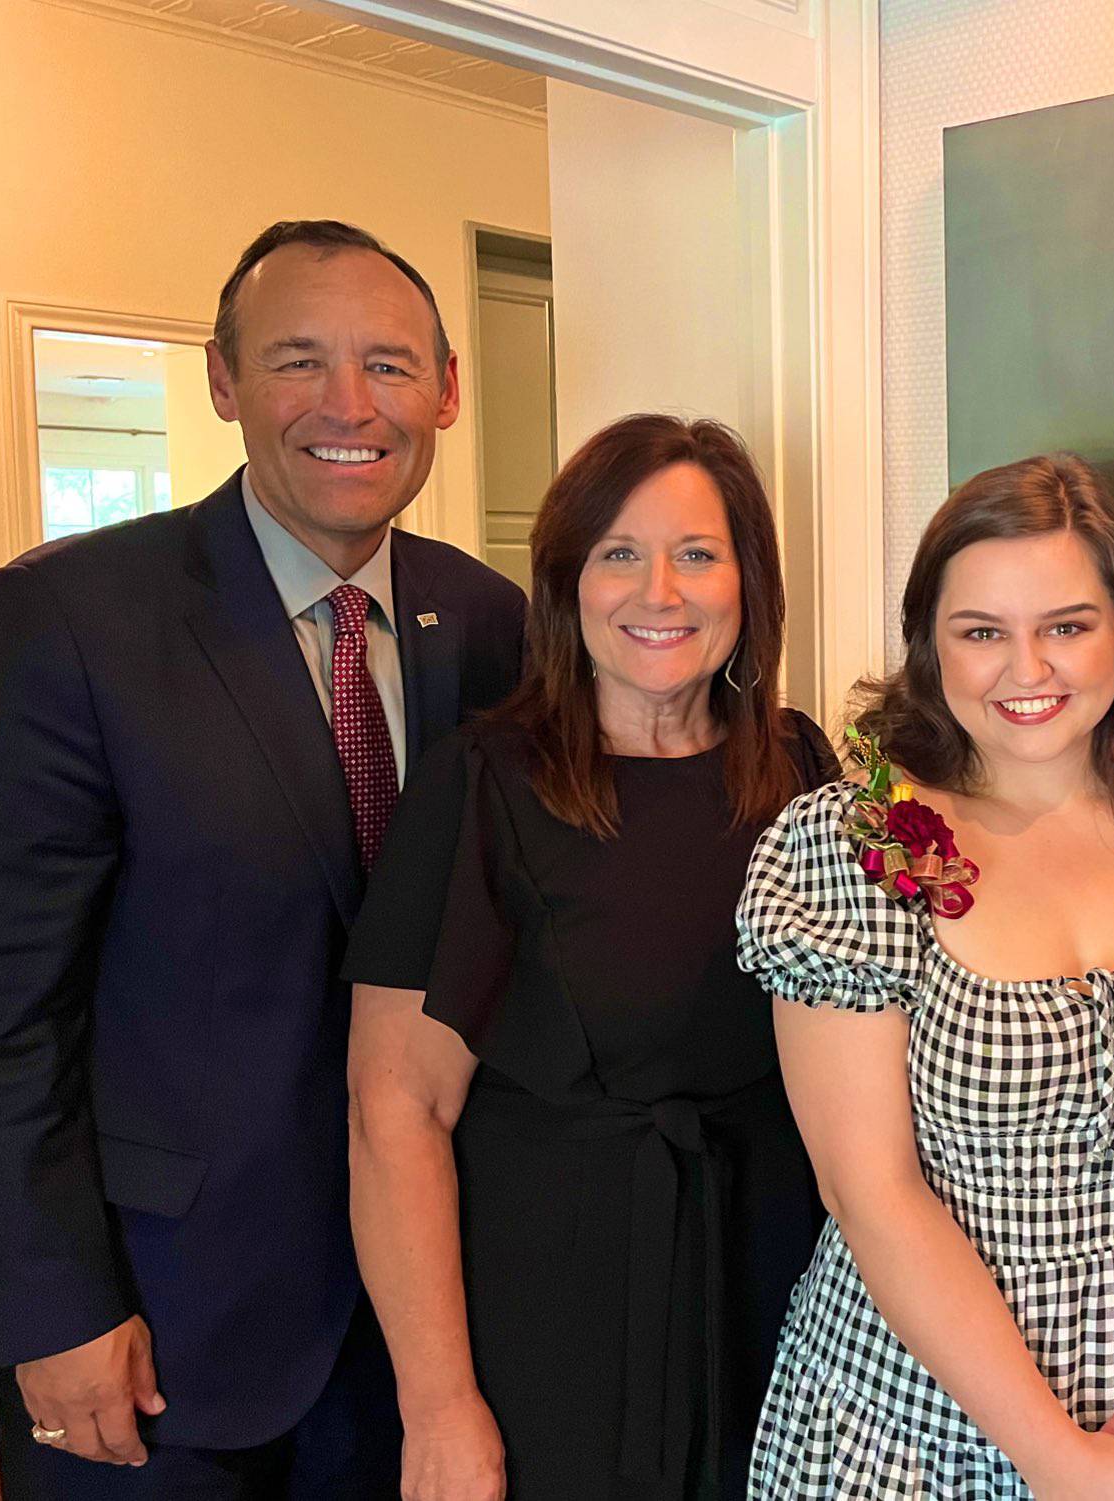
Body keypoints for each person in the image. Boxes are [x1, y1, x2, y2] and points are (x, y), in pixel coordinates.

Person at [0, 219, 525, 1498]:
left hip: (424, 1318)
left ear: (445, 388)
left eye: (388, 365)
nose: (347, 406)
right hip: (158, 1333)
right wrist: (47, 1303)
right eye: (296, 361)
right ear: (222, 380)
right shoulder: (67, 620)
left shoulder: (490, 623)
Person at [736, 453, 1114, 1499]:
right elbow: (867, 1187)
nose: (1028, 669)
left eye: (1066, 625)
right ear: (929, 644)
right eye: (982, 632)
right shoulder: (859, 843)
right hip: (914, 1416)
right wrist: (1057, 1459)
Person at [343, 413, 837, 1501]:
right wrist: (437, 1406)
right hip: (552, 1309)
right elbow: (395, 1113)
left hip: (779, 1284)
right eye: (619, 553)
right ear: (566, 583)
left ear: (747, 581)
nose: (659, 591)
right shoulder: (479, 783)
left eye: (697, 554)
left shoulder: (803, 771)